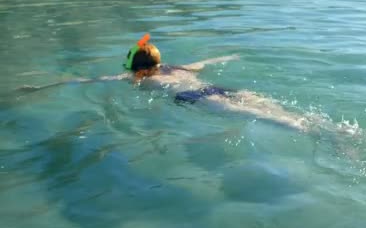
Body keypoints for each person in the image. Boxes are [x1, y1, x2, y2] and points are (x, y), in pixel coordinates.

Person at [20, 33, 316, 131]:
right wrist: (229, 56)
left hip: (198, 99)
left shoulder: (135, 76)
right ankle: (324, 127)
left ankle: (325, 134)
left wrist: (40, 87)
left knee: (272, 119)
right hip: (217, 89)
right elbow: (207, 63)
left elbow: (83, 80)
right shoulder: (179, 66)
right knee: (272, 108)